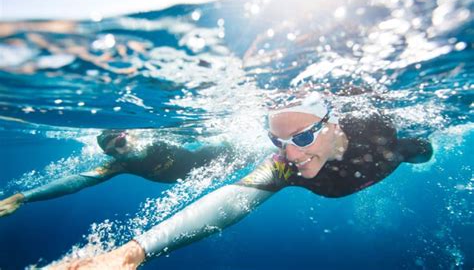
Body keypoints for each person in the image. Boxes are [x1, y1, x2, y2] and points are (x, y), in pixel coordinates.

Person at [49, 94, 433, 269]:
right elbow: (233, 198)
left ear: (333, 126)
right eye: (278, 142)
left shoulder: (379, 133)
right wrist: (133, 252)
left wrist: (417, 152)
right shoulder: (285, 167)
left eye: (302, 138)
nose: (291, 154)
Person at [0, 130, 230, 218]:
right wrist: (23, 197)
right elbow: (79, 181)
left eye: (120, 142)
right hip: (210, 176)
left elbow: (210, 131)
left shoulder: (163, 137)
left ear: (130, 135)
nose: (120, 151)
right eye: (112, 152)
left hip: (223, 157)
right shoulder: (121, 165)